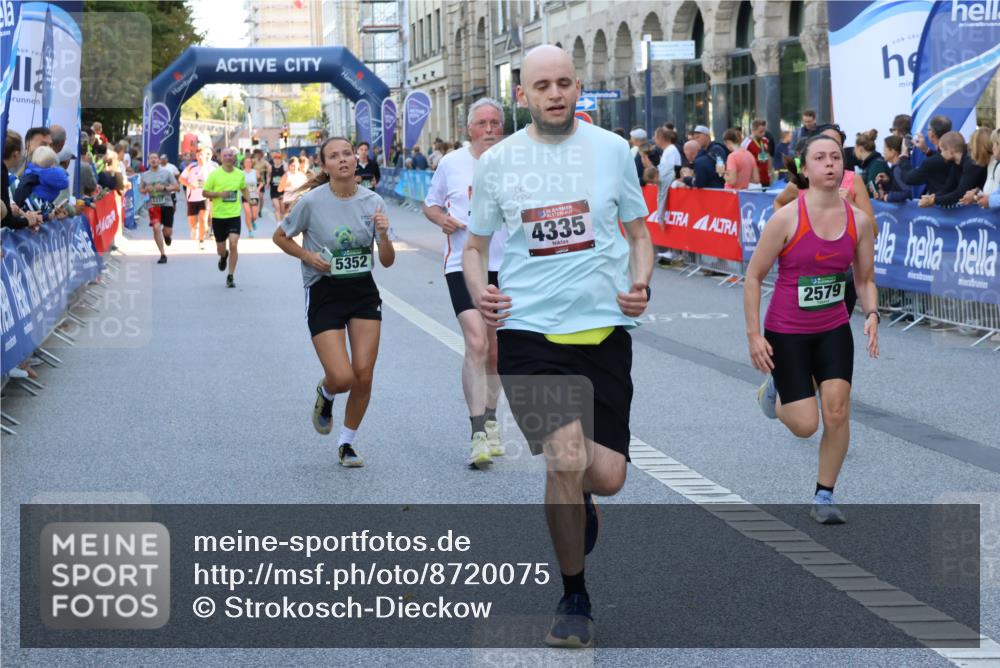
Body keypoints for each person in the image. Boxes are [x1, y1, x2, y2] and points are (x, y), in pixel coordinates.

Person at [464, 44, 653, 649]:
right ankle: (575, 593)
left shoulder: (614, 152)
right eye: (541, 85)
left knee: (608, 476)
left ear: (578, 87)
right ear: (523, 95)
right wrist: (481, 293)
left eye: (564, 83)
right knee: (565, 458)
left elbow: (638, 232)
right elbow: (475, 248)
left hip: (602, 335)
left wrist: (640, 281)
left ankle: (578, 502)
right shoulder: (497, 163)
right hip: (528, 336)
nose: (554, 94)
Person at [743, 133, 879, 525]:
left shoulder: (860, 222)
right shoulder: (786, 219)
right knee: (805, 425)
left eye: (836, 157)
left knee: (837, 411)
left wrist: (871, 314)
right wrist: (754, 335)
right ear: (805, 168)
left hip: (833, 327)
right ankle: (775, 391)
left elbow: (865, 279)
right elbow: (754, 277)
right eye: (820, 157)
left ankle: (824, 494)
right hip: (786, 331)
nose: (830, 164)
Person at [273, 137, 396, 467]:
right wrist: (308, 257)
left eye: (347, 154)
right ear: (324, 165)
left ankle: (347, 443)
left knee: (364, 375)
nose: (343, 159)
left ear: (356, 160)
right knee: (342, 377)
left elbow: (387, 261)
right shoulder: (312, 202)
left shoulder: (373, 202)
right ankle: (326, 394)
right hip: (324, 291)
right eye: (334, 156)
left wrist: (383, 236)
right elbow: (280, 237)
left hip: (362, 292)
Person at [422, 97, 509, 468]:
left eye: (494, 123)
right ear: (468, 129)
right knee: (475, 341)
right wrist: (441, 219)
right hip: (462, 263)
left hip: (508, 265)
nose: (489, 130)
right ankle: (477, 433)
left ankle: (491, 419)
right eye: (481, 124)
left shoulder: (515, 161)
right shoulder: (452, 163)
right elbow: (431, 204)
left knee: (496, 351)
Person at [772, 124, 876, 317]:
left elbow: (873, 230)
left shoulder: (853, 181)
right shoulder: (802, 181)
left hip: (842, 271)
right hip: (805, 270)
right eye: (822, 143)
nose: (828, 150)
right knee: (801, 324)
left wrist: (850, 202)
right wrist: (787, 240)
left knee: (835, 325)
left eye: (834, 145)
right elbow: (778, 203)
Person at [202, 148, 250, 288]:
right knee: (221, 249)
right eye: (226, 155)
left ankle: (230, 276)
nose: (228, 157)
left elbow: (244, 189)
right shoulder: (214, 175)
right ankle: (223, 256)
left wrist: (250, 199)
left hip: (234, 215)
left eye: (231, 155)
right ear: (221, 158)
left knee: (234, 243)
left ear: (234, 158)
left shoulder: (240, 174)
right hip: (218, 216)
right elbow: (205, 192)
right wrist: (218, 194)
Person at [921, 129, 989, 208]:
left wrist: (934, 200)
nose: (941, 154)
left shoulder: (971, 163)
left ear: (950, 151)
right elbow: (949, 187)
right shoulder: (955, 162)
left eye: (942, 150)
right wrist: (933, 197)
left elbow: (960, 193)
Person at [898, 115, 959, 197]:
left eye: (928, 129)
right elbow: (940, 156)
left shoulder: (931, 162)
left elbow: (909, 178)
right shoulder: (956, 154)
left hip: (940, 205)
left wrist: (904, 156)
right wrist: (926, 150)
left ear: (931, 134)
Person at [139, 153, 180, 264]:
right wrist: (146, 189)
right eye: (151, 158)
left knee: (167, 231)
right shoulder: (145, 175)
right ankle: (162, 254)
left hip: (167, 203)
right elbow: (141, 189)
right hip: (153, 205)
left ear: (159, 160)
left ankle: (166, 235)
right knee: (156, 227)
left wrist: (165, 187)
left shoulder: (167, 173)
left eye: (155, 158)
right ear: (148, 161)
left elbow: (177, 187)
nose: (153, 160)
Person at [179, 147, 216, 249]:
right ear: (196, 156)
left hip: (205, 197)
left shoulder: (211, 169)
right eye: (198, 155)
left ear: (206, 156)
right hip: (192, 198)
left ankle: (202, 240)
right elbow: (181, 179)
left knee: (204, 219)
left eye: (202, 155)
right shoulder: (191, 167)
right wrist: (190, 185)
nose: (200, 157)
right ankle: (195, 228)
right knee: (192, 221)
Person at [852, 130, 890, 198]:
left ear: (860, 149)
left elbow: (872, 188)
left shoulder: (876, 164)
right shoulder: (872, 163)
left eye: (855, 147)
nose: (854, 150)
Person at [874, 136, 910, 203]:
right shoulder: (897, 167)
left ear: (893, 152)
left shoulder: (897, 169)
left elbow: (907, 192)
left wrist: (886, 197)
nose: (883, 152)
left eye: (885, 149)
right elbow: (898, 189)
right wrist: (887, 182)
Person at [743, 119, 773, 187]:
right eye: (760, 132)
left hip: (766, 178)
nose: (763, 134)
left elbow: (768, 156)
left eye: (764, 131)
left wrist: (770, 173)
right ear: (753, 130)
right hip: (754, 181)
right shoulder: (746, 143)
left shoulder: (765, 140)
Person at [242, 156, 260, 237]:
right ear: (244, 164)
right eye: (246, 162)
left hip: (254, 195)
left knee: (254, 216)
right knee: (247, 213)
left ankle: (253, 221)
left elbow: (262, 181)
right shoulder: (241, 173)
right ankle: (250, 231)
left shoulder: (255, 172)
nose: (248, 163)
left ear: (251, 163)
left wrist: (258, 189)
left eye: (249, 162)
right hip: (245, 195)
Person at [270, 153, 287, 221]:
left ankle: (282, 224)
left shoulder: (284, 167)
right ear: (273, 160)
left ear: (281, 160)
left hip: (282, 191)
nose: (277, 160)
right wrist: (268, 182)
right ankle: (278, 224)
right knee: (277, 208)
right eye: (275, 159)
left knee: (282, 210)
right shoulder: (270, 167)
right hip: (273, 191)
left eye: (278, 159)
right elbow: (269, 176)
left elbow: (287, 174)